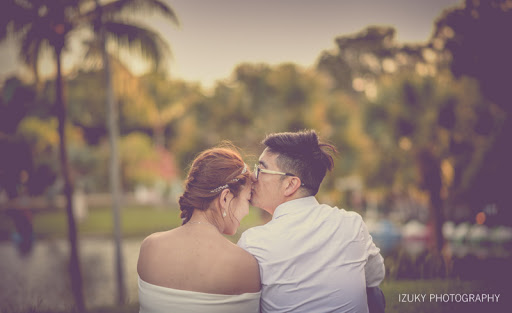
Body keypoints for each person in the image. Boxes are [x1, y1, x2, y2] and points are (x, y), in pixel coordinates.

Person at [238, 130, 385, 313]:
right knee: (374, 292)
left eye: (261, 169)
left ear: (290, 184)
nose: (253, 176)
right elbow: (375, 278)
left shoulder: (253, 242)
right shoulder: (351, 223)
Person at [137, 146, 261, 313]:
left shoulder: (149, 247)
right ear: (225, 198)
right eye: (247, 199)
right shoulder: (244, 266)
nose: (247, 211)